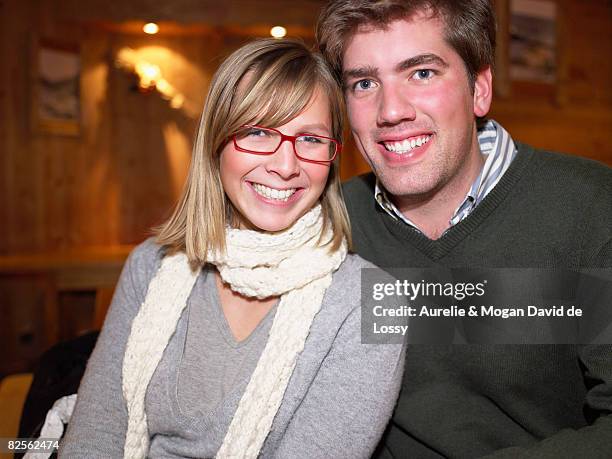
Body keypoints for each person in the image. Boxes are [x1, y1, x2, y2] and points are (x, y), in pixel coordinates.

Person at [59, 38, 404, 458]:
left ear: (332, 157)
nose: (284, 165)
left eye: (311, 139)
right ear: (216, 142)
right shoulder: (149, 266)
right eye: (257, 132)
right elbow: (96, 433)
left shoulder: (372, 302)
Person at [317, 0, 612, 458]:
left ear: (479, 89)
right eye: (365, 82)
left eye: (422, 73)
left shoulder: (592, 208)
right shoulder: (332, 224)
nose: (391, 111)